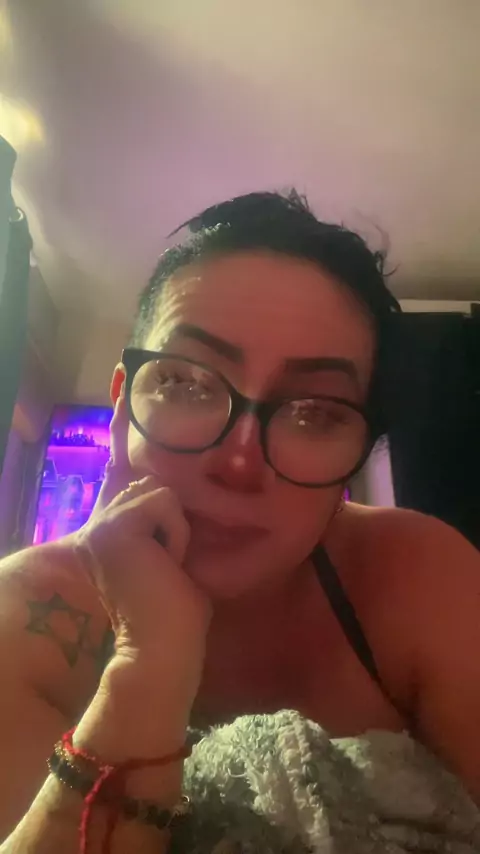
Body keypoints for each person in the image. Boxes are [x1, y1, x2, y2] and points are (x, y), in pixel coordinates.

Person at [0, 191, 479, 852]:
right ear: (121, 406)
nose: (239, 462)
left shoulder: (421, 574)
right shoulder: (23, 613)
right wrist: (147, 663)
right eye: (186, 383)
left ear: (360, 453)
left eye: (315, 412)